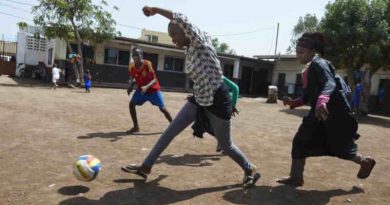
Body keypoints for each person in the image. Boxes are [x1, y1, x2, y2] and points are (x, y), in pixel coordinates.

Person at [121, 6, 260, 188]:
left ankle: (250, 170)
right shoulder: (189, 49)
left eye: (175, 35)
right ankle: (146, 166)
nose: (173, 40)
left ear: (186, 31)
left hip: (217, 100)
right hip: (199, 98)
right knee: (171, 130)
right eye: (170, 37)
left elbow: (179, 17)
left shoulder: (198, 40)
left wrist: (155, 10)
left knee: (226, 145)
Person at [277, 32, 376, 187]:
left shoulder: (320, 64)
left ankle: (364, 161)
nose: (298, 56)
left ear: (312, 51)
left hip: (333, 114)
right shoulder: (310, 69)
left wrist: (322, 101)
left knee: (338, 147)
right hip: (319, 114)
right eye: (297, 52)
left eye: (301, 52)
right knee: (301, 142)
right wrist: (294, 102)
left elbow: (329, 83)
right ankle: (296, 177)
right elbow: (307, 96)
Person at [126, 46, 173, 133]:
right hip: (141, 90)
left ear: (141, 55)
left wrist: (146, 87)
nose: (135, 57)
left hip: (153, 90)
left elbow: (154, 79)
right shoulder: (132, 66)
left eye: (137, 55)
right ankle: (136, 127)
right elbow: (133, 77)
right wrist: (130, 86)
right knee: (131, 104)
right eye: (133, 55)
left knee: (162, 109)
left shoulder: (147, 64)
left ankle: (173, 126)